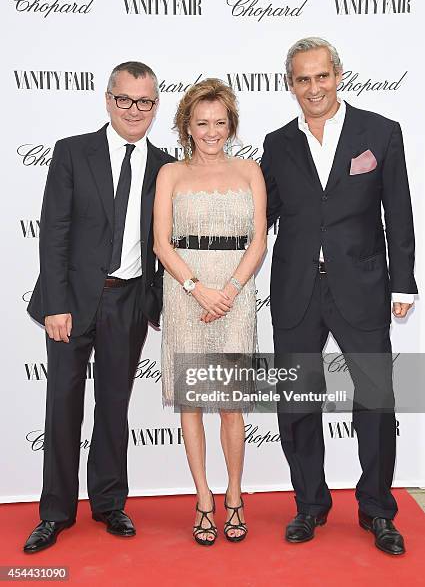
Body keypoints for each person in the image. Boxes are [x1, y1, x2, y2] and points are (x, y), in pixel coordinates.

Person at [261, 37, 417, 555]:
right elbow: (263, 217)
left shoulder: (380, 132)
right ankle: (310, 505)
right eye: (302, 79)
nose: (314, 88)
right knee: (298, 401)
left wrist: (404, 280)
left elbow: (398, 212)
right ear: (291, 85)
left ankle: (377, 510)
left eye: (321, 76)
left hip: (364, 285)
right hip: (295, 289)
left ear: (339, 75)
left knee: (375, 402)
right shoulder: (277, 142)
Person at [24, 61, 175, 553]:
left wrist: (153, 302)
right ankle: (55, 512)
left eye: (145, 101)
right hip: (72, 301)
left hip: (130, 300)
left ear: (156, 106)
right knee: (63, 405)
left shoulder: (163, 165)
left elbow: (164, 239)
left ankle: (109, 503)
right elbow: (55, 232)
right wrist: (55, 303)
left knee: (114, 405)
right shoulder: (72, 152)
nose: (135, 110)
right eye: (125, 99)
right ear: (108, 100)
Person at [153, 78, 266, 545]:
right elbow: (162, 242)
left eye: (220, 123)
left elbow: (259, 239)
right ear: (187, 126)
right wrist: (198, 288)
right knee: (192, 405)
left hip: (237, 297)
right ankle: (203, 498)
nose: (211, 131)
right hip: (185, 294)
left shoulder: (250, 172)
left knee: (231, 407)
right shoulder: (171, 175)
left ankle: (234, 497)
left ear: (231, 126)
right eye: (202, 123)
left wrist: (232, 290)